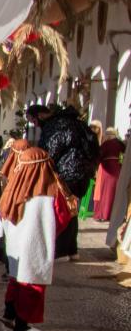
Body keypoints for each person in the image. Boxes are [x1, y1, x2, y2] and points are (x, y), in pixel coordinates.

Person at [0, 146, 74, 331]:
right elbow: (62, 217)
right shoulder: (50, 193)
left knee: (16, 278)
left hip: (15, 245)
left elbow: (1, 215)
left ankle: (9, 314)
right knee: (32, 282)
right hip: (35, 244)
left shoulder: (12, 188)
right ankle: (22, 325)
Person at [39, 105, 99, 259]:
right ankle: (72, 250)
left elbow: (50, 150)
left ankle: (62, 251)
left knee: (62, 211)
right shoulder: (80, 125)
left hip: (64, 174)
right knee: (73, 211)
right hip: (83, 173)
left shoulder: (57, 126)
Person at [93, 126, 125, 222]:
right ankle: (114, 215)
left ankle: (103, 214)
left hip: (106, 169)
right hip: (117, 169)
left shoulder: (106, 144)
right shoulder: (120, 144)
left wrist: (95, 167)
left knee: (104, 192)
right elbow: (124, 153)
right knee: (114, 192)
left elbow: (99, 155)